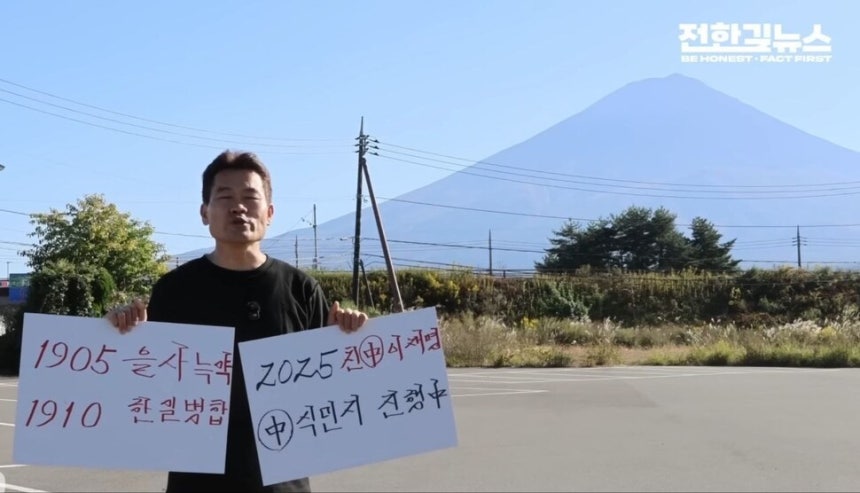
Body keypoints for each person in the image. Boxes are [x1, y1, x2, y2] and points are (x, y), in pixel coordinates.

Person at [105, 150, 369, 493]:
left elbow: (334, 393)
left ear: (270, 212)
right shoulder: (174, 290)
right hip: (195, 484)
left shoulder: (301, 289)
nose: (239, 207)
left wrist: (350, 336)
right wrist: (115, 334)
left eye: (250, 197)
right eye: (225, 197)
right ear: (205, 212)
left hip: (282, 485)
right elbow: (144, 385)